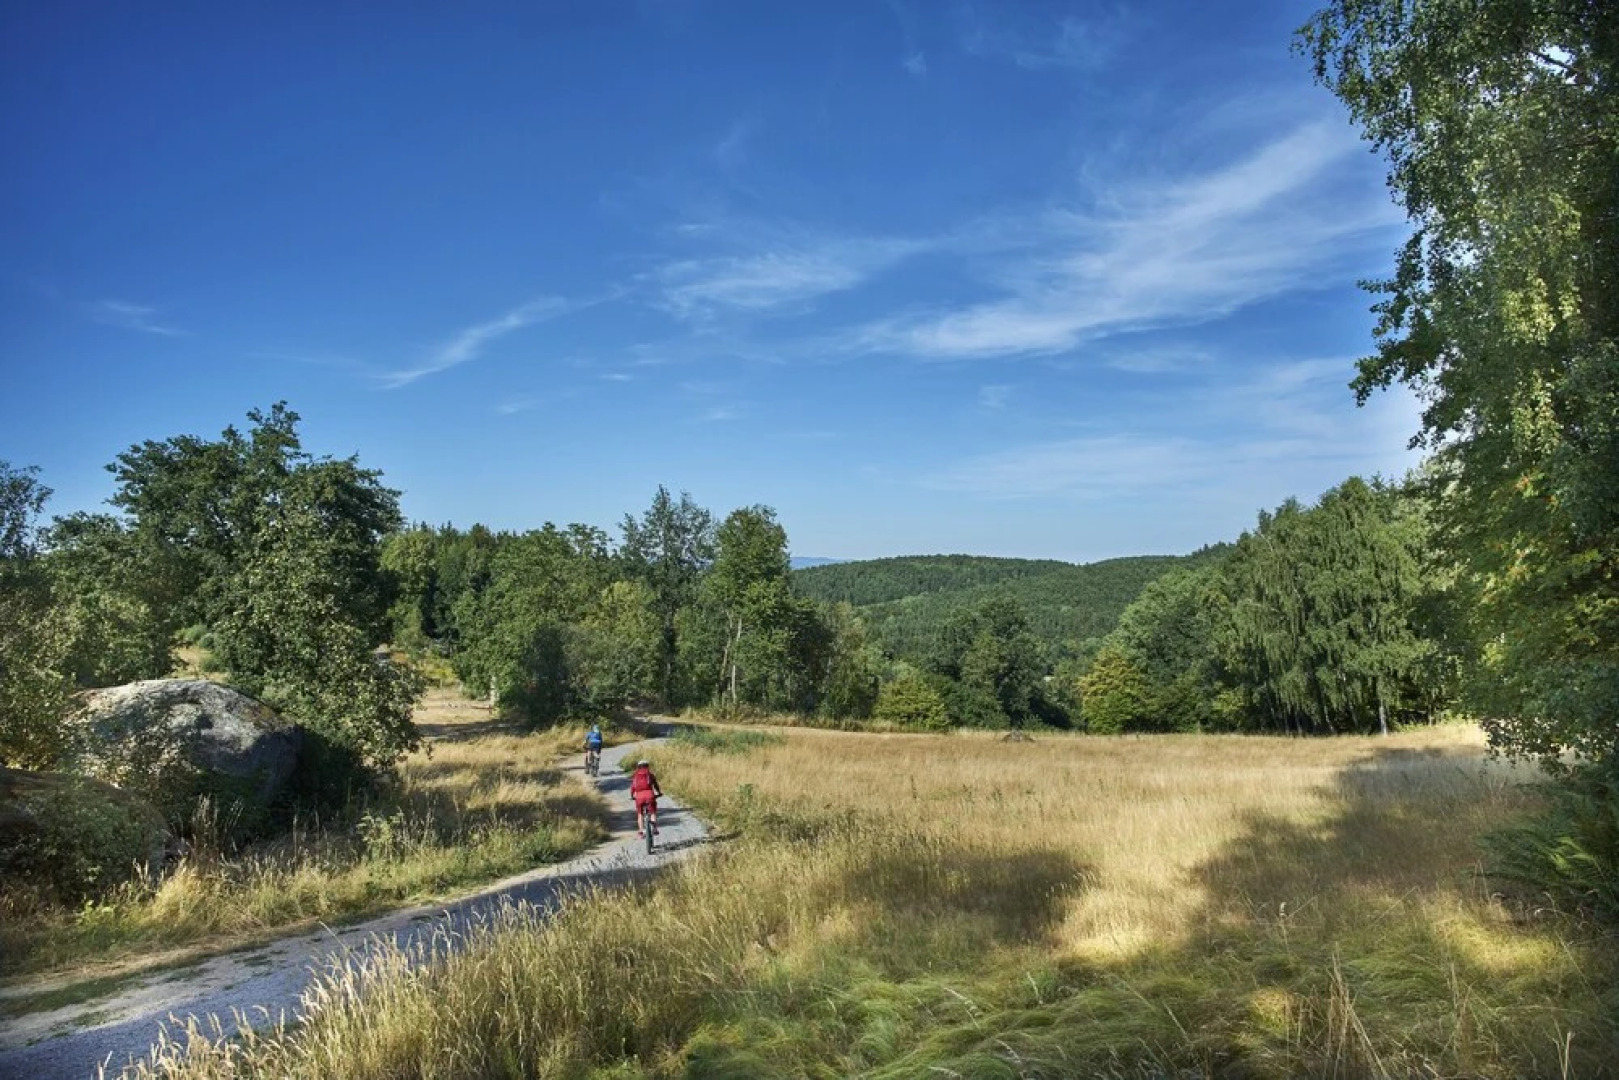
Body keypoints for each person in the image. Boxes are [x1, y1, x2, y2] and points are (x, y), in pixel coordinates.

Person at [629, 758, 662, 837]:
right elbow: (656, 785)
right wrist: (659, 792)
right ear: (647, 766)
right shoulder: (650, 775)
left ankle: (641, 831)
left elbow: (633, 787)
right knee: (653, 812)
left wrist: (631, 796)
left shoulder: (635, 776)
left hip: (639, 797)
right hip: (650, 795)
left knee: (640, 814)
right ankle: (654, 828)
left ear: (638, 767)